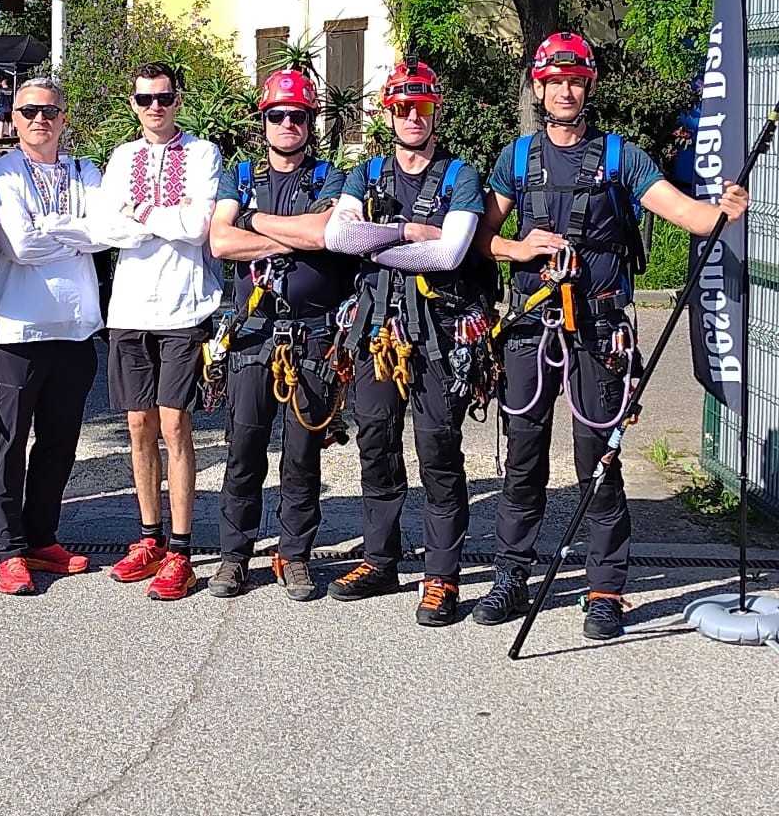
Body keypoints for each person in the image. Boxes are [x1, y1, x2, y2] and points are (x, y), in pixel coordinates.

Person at [473, 31, 750, 641]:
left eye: (575, 81)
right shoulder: (515, 160)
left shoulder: (621, 157)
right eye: (555, 81)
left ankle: (605, 589)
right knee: (522, 459)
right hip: (530, 327)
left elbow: (686, 213)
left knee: (596, 459)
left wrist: (724, 211)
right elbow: (480, 238)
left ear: (588, 86)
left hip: (597, 330)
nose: (565, 91)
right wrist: (519, 248)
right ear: (539, 87)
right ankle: (511, 576)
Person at [322, 60, 487, 627]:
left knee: (438, 446)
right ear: (388, 113)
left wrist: (374, 246)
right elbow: (338, 237)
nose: (413, 117)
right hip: (375, 331)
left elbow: (449, 253)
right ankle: (380, 559)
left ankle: (442, 574)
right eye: (402, 107)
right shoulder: (365, 174)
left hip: (438, 332)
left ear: (435, 111)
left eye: (422, 107)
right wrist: (404, 232)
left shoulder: (460, 175)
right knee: (375, 441)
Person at [204, 69, 352, 601]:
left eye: (298, 116)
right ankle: (234, 557)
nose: (288, 124)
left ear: (310, 123)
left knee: (302, 455)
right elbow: (221, 242)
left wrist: (254, 222)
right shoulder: (239, 176)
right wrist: (294, 238)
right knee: (243, 450)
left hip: (312, 338)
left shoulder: (332, 177)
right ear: (262, 122)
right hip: (252, 335)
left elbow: (324, 234)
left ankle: (295, 555)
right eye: (277, 116)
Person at [98, 60, 223, 600]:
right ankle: (148, 538)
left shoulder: (202, 153)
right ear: (133, 104)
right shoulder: (121, 157)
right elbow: (105, 227)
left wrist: (140, 210)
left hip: (182, 307)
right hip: (130, 308)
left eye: (165, 97)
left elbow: (196, 227)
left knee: (175, 425)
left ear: (178, 100)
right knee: (137, 425)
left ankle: (181, 550)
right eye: (146, 98)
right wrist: (161, 216)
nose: (155, 107)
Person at [0, 75, 104, 592]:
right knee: (10, 443)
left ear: (63, 119)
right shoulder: (1, 172)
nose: (40, 120)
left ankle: (40, 537)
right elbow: (19, 245)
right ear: (13, 118)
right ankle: (5, 548)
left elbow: (107, 231)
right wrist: (75, 234)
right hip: (18, 328)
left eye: (49, 111)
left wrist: (51, 228)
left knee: (59, 442)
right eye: (29, 111)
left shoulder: (85, 170)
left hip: (76, 328)